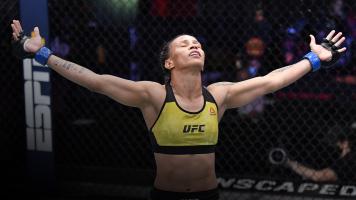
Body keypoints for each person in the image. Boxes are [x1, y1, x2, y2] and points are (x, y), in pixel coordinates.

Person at [11, 19, 346, 200]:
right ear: (169, 62)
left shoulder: (220, 95)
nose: (195, 44)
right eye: (185, 43)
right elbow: (95, 80)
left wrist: (315, 59)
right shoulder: (153, 96)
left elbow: (272, 81)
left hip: (210, 194)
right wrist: (42, 55)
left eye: (197, 42)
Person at [285, 125, 356, 182]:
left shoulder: (348, 161)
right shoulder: (343, 158)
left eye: (337, 142)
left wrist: (291, 164)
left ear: (345, 143)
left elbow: (318, 177)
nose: (336, 145)